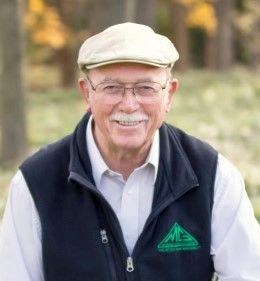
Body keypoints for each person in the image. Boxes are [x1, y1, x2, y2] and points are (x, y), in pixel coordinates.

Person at [0, 22, 260, 281]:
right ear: (86, 93)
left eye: (145, 88)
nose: (128, 104)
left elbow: (247, 274)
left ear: (169, 94)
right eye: (111, 87)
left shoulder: (213, 176)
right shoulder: (35, 184)